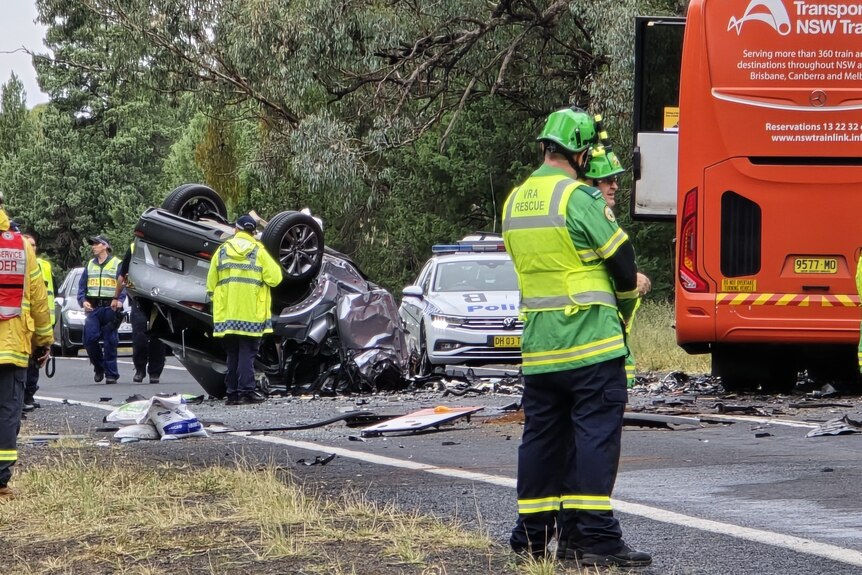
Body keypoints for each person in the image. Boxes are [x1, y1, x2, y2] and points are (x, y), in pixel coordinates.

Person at [501, 106, 651, 566]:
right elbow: (623, 263)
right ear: (581, 151)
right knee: (594, 439)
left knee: (542, 441)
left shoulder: (515, 201)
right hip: (591, 345)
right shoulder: (577, 198)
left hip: (541, 350)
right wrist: (628, 297)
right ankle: (596, 539)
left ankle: (535, 536)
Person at [585, 145, 652, 386]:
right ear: (590, 183)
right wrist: (631, 283)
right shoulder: (589, 215)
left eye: (615, 179)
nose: (615, 185)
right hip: (597, 354)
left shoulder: (594, 217)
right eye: (607, 180)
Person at [0, 194, 53, 500]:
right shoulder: (20, 246)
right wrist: (44, 341)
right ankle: (1, 482)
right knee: (7, 411)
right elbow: (38, 299)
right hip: (12, 345)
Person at [206, 215, 282, 405]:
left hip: (228, 315)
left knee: (232, 354)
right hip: (251, 314)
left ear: (236, 230)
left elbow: (210, 283)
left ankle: (231, 394)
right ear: (253, 232)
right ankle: (246, 391)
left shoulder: (222, 251)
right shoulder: (259, 251)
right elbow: (276, 278)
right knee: (247, 354)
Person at [112, 241, 165, 384]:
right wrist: (116, 297)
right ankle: (140, 369)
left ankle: (155, 372)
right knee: (139, 335)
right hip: (139, 298)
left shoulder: (164, 245)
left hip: (159, 299)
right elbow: (122, 275)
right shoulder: (133, 247)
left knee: (157, 336)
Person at [78, 235, 122, 384]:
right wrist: (83, 301)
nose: (93, 246)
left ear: (105, 246)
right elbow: (82, 287)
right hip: (94, 308)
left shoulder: (117, 263)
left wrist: (120, 300)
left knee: (110, 341)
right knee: (89, 339)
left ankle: (111, 374)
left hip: (110, 307)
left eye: (96, 244)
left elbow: (123, 284)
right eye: (93, 244)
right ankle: (99, 367)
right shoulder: (90, 264)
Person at [21, 234, 55, 411]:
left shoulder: (44, 266)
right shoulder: (21, 262)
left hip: (42, 320)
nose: (32, 248)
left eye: (34, 245)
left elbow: (47, 296)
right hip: (23, 322)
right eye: (29, 245)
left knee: (34, 362)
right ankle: (23, 398)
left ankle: (28, 396)